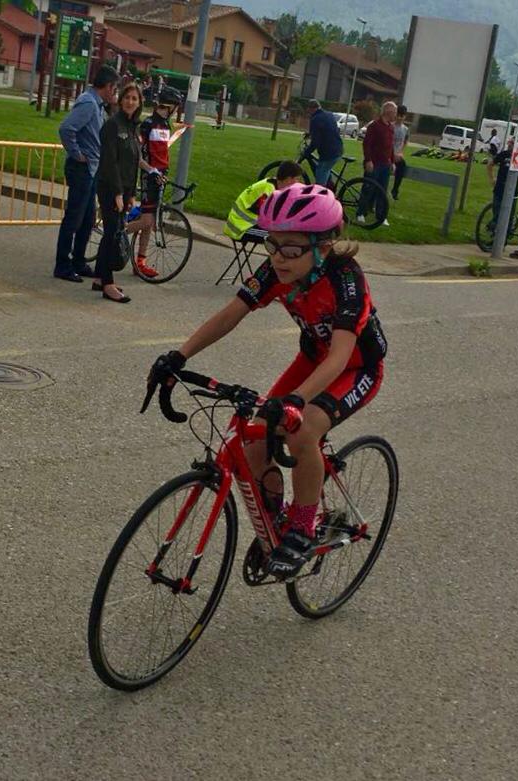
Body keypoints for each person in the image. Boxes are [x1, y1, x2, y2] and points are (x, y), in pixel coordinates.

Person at [146, 184, 387, 579]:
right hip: (313, 359)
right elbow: (231, 313)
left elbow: (341, 356)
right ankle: (276, 525)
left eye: (290, 249)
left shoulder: (346, 280)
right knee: (255, 435)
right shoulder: (277, 270)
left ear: (323, 246)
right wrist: (180, 355)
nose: (277, 257)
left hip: (355, 368)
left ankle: (302, 529)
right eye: (271, 244)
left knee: (302, 430)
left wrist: (295, 400)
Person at [54, 65, 120, 283]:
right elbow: (67, 129)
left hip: (91, 168)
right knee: (74, 218)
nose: (115, 93)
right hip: (82, 168)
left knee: (88, 218)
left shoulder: (98, 105)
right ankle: (63, 265)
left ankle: (78, 261)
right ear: (108, 86)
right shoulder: (89, 104)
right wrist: (77, 154)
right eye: (115, 88)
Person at [94, 83, 146, 304]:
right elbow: (110, 162)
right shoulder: (113, 125)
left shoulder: (133, 127)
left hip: (124, 189)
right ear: (120, 99)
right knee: (111, 234)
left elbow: (133, 162)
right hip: (110, 187)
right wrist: (117, 193)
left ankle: (99, 277)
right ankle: (108, 284)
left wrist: (131, 193)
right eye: (127, 97)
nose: (130, 102)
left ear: (139, 103)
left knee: (113, 232)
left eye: (134, 98)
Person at [126, 85, 183, 278]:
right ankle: (115, 234)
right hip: (149, 176)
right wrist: (151, 171)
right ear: (171, 106)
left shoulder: (165, 124)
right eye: (176, 107)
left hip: (159, 176)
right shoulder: (148, 124)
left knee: (149, 223)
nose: (176, 110)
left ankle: (140, 262)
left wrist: (162, 171)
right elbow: (138, 155)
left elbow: (161, 152)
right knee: (147, 220)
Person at [222, 160, 304, 240]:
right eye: (297, 179)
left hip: (245, 224)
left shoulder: (272, 185)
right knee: (277, 237)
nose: (298, 182)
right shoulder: (268, 191)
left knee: (283, 235)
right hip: (241, 229)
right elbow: (267, 216)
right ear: (289, 179)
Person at [357, 101, 397, 226]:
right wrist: (368, 160)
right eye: (394, 112)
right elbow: (367, 144)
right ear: (388, 112)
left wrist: (392, 162)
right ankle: (361, 213)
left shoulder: (391, 127)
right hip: (374, 163)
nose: (395, 115)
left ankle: (381, 216)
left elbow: (391, 146)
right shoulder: (375, 126)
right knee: (368, 188)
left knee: (382, 191)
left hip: (385, 164)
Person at [301, 99, 343, 186]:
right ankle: (330, 187)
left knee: (320, 175)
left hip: (328, 153)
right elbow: (326, 129)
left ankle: (322, 192)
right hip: (338, 148)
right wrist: (310, 134)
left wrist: (307, 152)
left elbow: (315, 142)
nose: (309, 113)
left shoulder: (315, 119)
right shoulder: (329, 114)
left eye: (309, 110)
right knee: (326, 170)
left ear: (311, 109)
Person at [487, 136, 518, 227]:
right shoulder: (504, 154)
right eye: (509, 142)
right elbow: (490, 165)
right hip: (499, 188)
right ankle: (494, 228)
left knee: (509, 216)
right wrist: (492, 178)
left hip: (512, 191)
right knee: (496, 212)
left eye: (512, 143)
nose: (509, 144)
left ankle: (507, 230)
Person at [391, 105, 409, 200]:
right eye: (398, 115)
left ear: (404, 116)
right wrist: (392, 154)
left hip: (398, 155)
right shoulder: (391, 126)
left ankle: (395, 189)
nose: (399, 118)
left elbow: (405, 141)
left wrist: (401, 152)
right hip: (389, 154)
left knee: (402, 166)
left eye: (401, 116)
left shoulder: (405, 129)